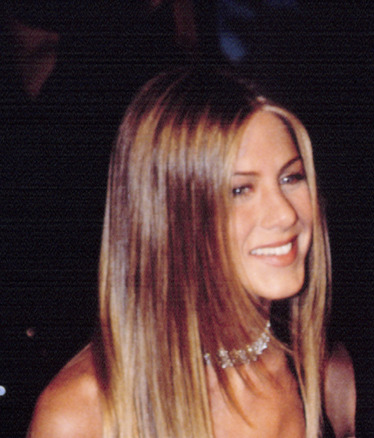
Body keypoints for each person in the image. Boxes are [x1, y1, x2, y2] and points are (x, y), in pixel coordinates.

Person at [26, 68, 355, 438]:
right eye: (240, 190)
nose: (285, 214)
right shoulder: (83, 416)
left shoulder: (327, 377)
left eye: (291, 178)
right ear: (167, 216)